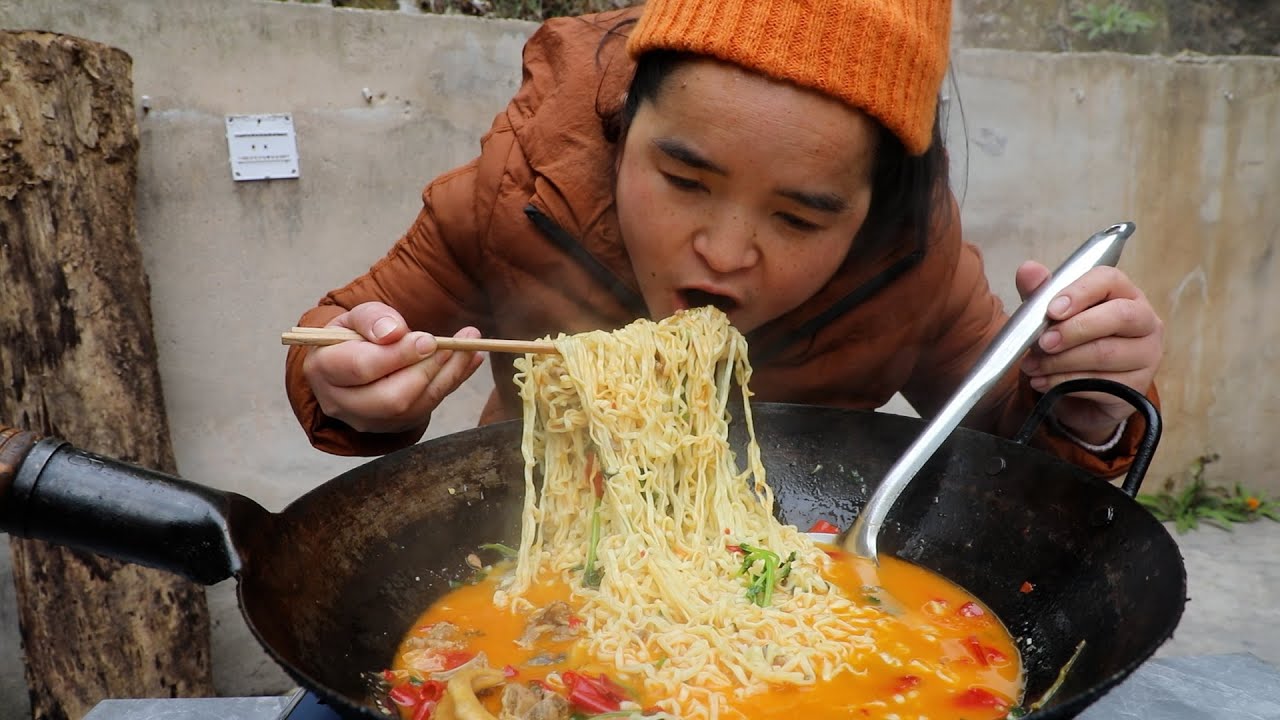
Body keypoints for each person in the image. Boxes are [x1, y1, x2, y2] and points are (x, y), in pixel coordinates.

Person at [285, 0, 1163, 477]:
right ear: (623, 129)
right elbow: (340, 332)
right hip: (520, 544)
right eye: (685, 181)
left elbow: (1014, 458)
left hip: (788, 570)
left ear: (870, 208)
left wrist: (1085, 408)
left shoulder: (913, 266)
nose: (727, 252)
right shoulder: (520, 190)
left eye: (800, 217)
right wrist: (350, 380)